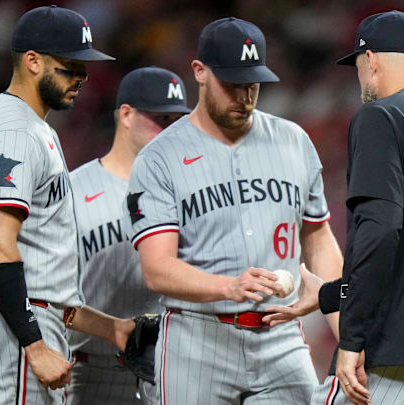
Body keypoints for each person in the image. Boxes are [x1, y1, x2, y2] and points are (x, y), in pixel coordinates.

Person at [268, 10, 404, 405]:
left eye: (356, 65)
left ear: (370, 60)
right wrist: (331, 296)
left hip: (396, 354)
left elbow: (380, 230)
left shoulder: (380, 116)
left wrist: (352, 338)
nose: (358, 77)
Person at [125, 17, 343, 404]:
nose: (244, 95)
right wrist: (227, 286)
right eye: (232, 84)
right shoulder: (159, 158)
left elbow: (319, 238)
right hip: (197, 339)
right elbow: (157, 269)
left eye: (253, 84)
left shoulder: (293, 141)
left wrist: (347, 330)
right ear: (200, 72)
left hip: (280, 335)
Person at [0, 6, 136, 405]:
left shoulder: (24, 125)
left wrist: (113, 329)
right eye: (71, 66)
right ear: (33, 61)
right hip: (15, 326)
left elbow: (42, 273)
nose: (83, 78)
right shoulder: (15, 132)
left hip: (20, 318)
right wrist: (33, 346)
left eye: (84, 68)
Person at [66, 66, 191, 404]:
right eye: (159, 118)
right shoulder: (73, 192)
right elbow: (45, 294)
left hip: (170, 372)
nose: (169, 130)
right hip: (92, 371)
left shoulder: (186, 193)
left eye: (176, 121)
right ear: (126, 114)